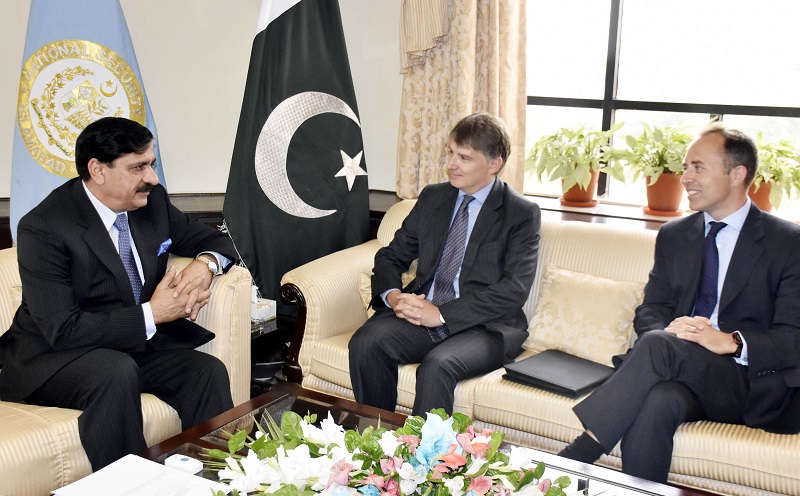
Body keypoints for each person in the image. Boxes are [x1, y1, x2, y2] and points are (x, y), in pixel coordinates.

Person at [558, 123, 800, 482]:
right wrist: (667, 330)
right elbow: (651, 310)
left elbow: (793, 337)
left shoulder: (787, 242)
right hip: (681, 371)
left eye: (698, 167)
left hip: (750, 382)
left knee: (658, 347)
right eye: (686, 167)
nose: (685, 178)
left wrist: (731, 342)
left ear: (737, 174)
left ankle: (578, 455)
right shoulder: (675, 235)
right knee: (658, 400)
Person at [0, 117, 237, 470]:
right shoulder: (45, 226)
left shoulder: (150, 203)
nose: (153, 179)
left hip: (127, 345)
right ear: (98, 170)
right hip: (53, 357)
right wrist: (153, 314)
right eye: (138, 167)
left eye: (151, 164)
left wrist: (206, 264)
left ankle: (218, 480)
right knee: (115, 371)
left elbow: (219, 238)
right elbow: (62, 328)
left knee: (206, 371)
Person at [348, 112, 541, 415]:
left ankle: (425, 460)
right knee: (367, 342)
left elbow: (513, 289)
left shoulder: (521, 213)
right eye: (451, 152)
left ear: (494, 164)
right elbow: (390, 255)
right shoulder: (434, 197)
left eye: (464, 157)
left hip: (484, 328)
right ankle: (376, 443)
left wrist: (441, 314)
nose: (451, 163)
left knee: (437, 366)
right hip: (423, 315)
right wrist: (395, 297)